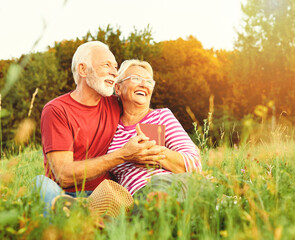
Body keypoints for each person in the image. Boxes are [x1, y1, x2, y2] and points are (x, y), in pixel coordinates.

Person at [36, 41, 166, 211]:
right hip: (64, 194)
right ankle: (69, 217)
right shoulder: (57, 110)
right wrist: (123, 155)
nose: (114, 72)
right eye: (107, 65)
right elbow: (63, 176)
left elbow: (144, 108)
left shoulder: (116, 103)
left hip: (105, 195)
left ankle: (85, 217)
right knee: (40, 184)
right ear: (83, 70)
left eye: (115, 66)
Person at [107, 59, 202, 202]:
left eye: (149, 81)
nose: (144, 84)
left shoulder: (161, 117)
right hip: (134, 197)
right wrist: (126, 155)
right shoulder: (110, 127)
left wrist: (153, 153)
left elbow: (194, 163)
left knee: (158, 195)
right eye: (136, 78)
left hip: (169, 184)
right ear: (118, 88)